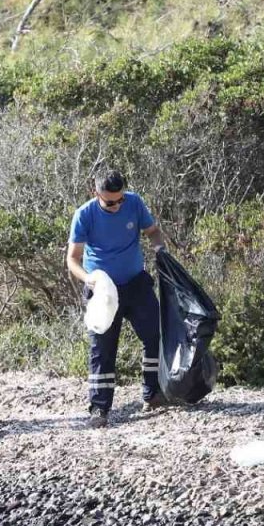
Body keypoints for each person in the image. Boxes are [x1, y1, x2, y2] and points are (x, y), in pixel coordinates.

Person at [66, 169, 168, 428]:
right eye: (110, 201)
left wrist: (160, 250)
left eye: (120, 199)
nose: (116, 205)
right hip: (102, 290)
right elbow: (72, 259)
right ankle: (99, 408)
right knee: (103, 347)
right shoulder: (84, 215)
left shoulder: (134, 202)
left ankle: (153, 392)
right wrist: (89, 279)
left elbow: (153, 231)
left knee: (155, 333)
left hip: (135, 282)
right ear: (96, 192)